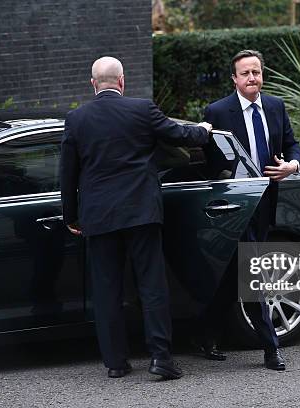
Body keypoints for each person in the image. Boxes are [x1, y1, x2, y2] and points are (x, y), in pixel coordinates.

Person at [60, 56, 212, 380]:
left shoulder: (76, 119)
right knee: (152, 287)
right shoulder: (141, 110)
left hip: (98, 217)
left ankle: (115, 363)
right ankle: (161, 359)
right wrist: (204, 130)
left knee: (106, 291)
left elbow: (67, 174)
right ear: (122, 81)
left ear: (92, 83)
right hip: (141, 212)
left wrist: (71, 216)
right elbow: (179, 135)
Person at [200, 49, 300, 370]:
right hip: (233, 205)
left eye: (256, 72)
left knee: (233, 274)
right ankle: (271, 349)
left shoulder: (275, 106)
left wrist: (292, 165)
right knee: (255, 270)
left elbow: (291, 144)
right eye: (245, 73)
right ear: (234, 79)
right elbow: (207, 162)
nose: (252, 78)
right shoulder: (217, 112)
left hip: (265, 202)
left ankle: (205, 334)